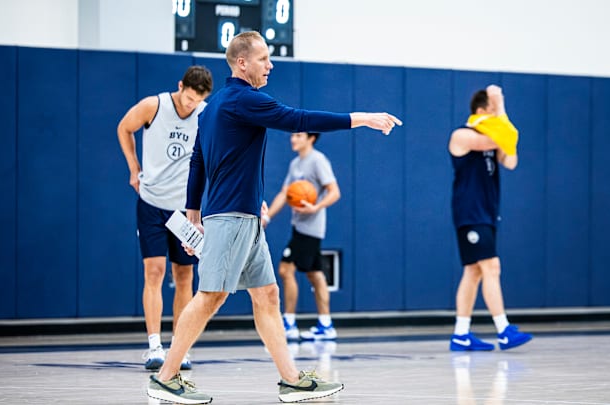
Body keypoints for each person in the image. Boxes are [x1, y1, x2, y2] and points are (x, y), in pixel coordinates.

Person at [146, 31, 402, 404]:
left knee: (267, 295)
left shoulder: (214, 106)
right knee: (210, 297)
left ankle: (292, 380)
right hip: (231, 218)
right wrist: (362, 118)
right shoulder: (243, 98)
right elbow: (295, 117)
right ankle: (166, 378)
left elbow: (199, 160)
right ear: (242, 63)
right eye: (264, 58)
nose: (271, 64)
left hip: (243, 216)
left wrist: (193, 213)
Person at [117, 65, 213, 370]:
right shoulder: (153, 106)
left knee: (184, 276)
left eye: (196, 102)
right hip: (152, 203)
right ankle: (154, 345)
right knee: (154, 272)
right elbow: (124, 127)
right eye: (187, 99)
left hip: (184, 209)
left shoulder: (206, 113)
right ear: (180, 86)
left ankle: (179, 348)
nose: (190, 106)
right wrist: (133, 167)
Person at [448, 84, 532, 352]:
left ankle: (461, 334)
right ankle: (503, 329)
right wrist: (502, 110)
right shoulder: (462, 135)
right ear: (482, 111)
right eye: (493, 110)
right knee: (491, 267)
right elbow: (505, 136)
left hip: (487, 210)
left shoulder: (495, 135)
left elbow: (511, 160)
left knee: (473, 272)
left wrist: (500, 114)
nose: (498, 116)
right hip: (470, 212)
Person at [264, 131, 340, 341]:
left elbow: (334, 191)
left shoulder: (317, 160)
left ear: (311, 138)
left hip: (310, 228)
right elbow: (284, 193)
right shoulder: (296, 163)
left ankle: (288, 322)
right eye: (293, 136)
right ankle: (326, 325)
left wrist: (316, 207)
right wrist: (267, 218)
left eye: (298, 135)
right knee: (315, 274)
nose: (293, 139)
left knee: (285, 269)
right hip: (299, 226)